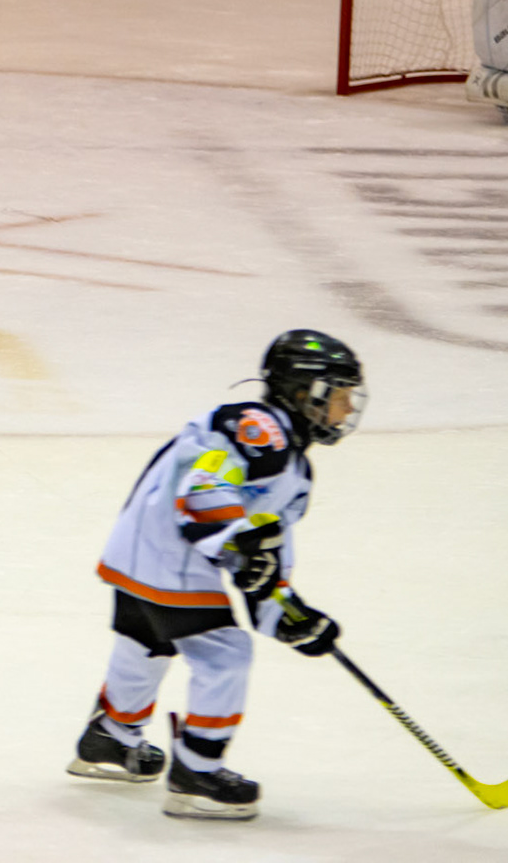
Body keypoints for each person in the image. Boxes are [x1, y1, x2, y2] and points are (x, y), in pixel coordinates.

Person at [66, 330, 364, 820]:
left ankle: (110, 739)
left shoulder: (294, 468)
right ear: (304, 392)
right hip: (172, 557)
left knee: (147, 641)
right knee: (225, 655)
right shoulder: (258, 429)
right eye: (340, 394)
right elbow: (205, 488)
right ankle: (197, 774)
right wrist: (237, 542)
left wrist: (289, 617)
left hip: (139, 549)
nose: (348, 408)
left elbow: (266, 555)